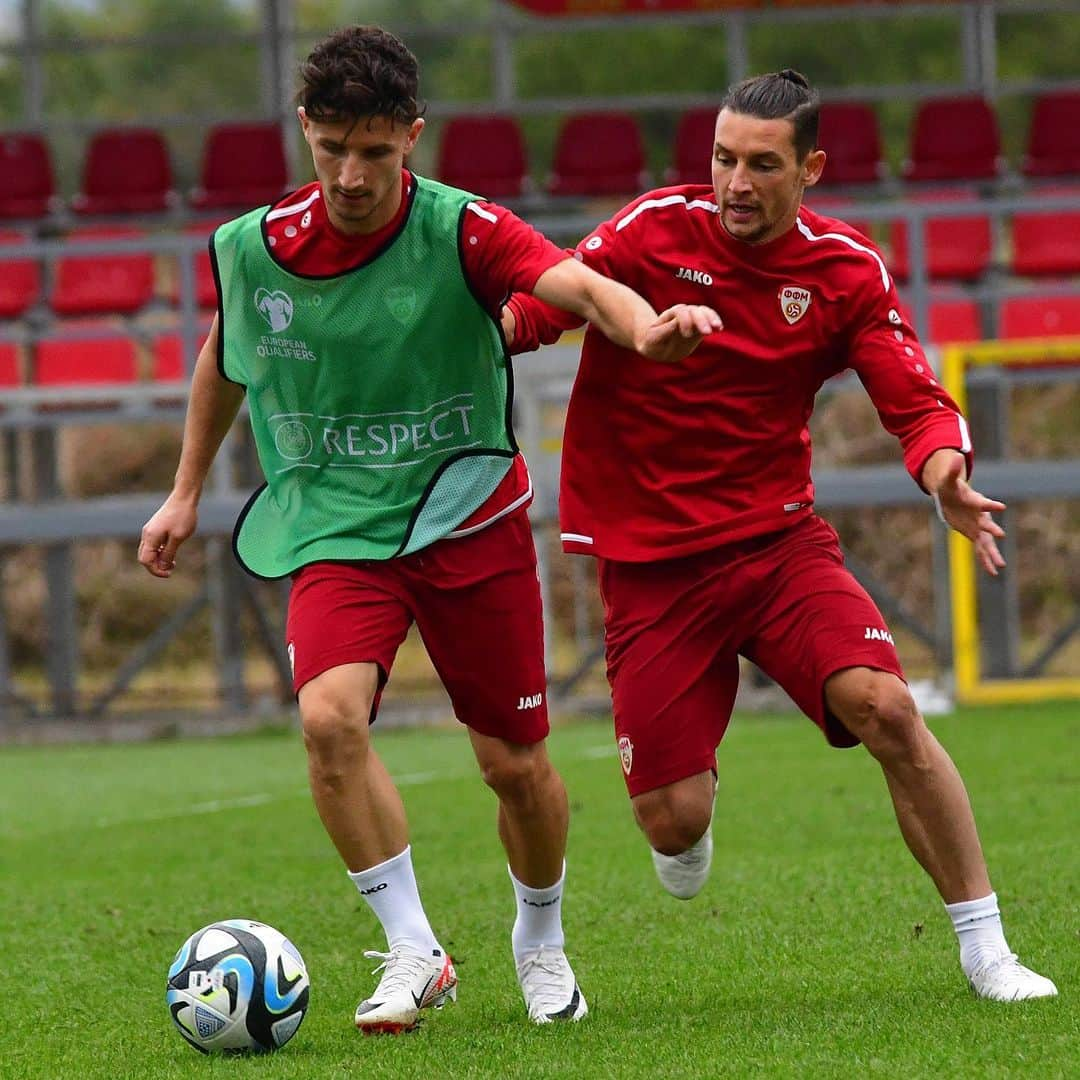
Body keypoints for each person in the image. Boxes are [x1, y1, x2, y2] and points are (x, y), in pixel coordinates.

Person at [138, 25, 720, 1034]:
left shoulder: (465, 230)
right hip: (334, 526)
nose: (352, 175)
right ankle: (412, 946)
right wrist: (184, 489)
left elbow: (574, 286)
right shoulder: (253, 249)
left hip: (467, 522)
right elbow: (224, 356)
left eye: (374, 150)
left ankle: (541, 944)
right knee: (328, 723)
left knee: (515, 766)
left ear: (413, 136)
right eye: (331, 149)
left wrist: (643, 327)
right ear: (305, 134)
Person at [503, 70, 1057, 1003]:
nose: (734, 183)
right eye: (723, 158)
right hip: (651, 570)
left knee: (886, 707)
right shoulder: (648, 231)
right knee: (672, 826)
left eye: (763, 164)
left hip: (776, 549)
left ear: (811, 169)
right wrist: (468, 329)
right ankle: (688, 796)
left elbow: (911, 396)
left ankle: (986, 948)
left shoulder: (844, 269)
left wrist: (943, 468)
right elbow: (544, 309)